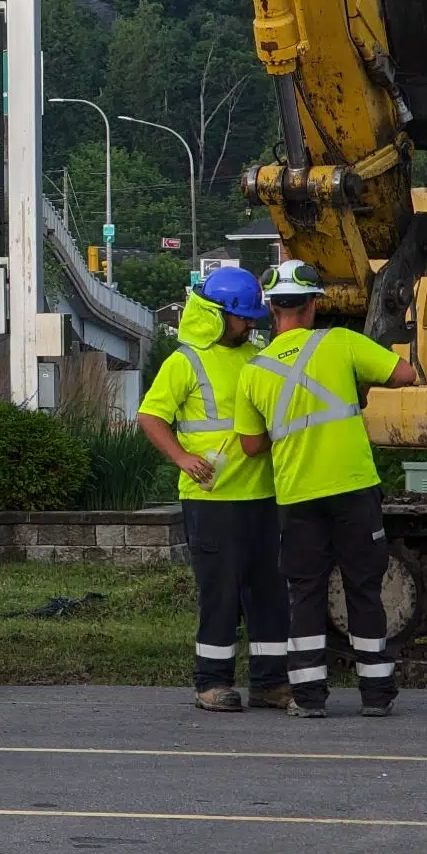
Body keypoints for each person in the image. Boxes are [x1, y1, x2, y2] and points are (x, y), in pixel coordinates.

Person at [233, 258, 418, 718]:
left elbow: (252, 445)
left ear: (272, 309)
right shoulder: (340, 343)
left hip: (297, 495)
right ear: (314, 305)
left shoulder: (253, 371)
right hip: (353, 488)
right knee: (363, 588)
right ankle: (376, 694)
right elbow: (404, 375)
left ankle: (310, 697)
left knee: (305, 593)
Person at [137, 265, 289, 713]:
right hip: (211, 499)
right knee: (220, 593)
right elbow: (150, 416)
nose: (252, 324)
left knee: (268, 594)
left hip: (262, 496)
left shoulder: (257, 356)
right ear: (218, 315)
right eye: (244, 317)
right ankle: (211, 683)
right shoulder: (185, 361)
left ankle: (269, 683)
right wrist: (182, 458)